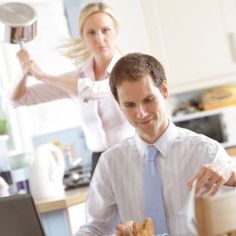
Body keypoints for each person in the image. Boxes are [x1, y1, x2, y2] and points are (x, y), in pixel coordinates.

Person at [77, 53, 236, 236]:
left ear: (164, 91)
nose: (141, 113)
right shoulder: (110, 163)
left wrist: (232, 175)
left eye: (148, 100)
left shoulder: (206, 151)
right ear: (119, 104)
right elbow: (94, 229)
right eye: (129, 105)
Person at [10, 2, 134, 176]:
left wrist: (44, 76)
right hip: (99, 164)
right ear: (82, 37)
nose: (99, 38)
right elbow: (18, 99)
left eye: (105, 30)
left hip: (133, 156)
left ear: (116, 31)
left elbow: (96, 90)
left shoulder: (131, 70)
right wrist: (24, 72)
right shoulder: (75, 79)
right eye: (91, 32)